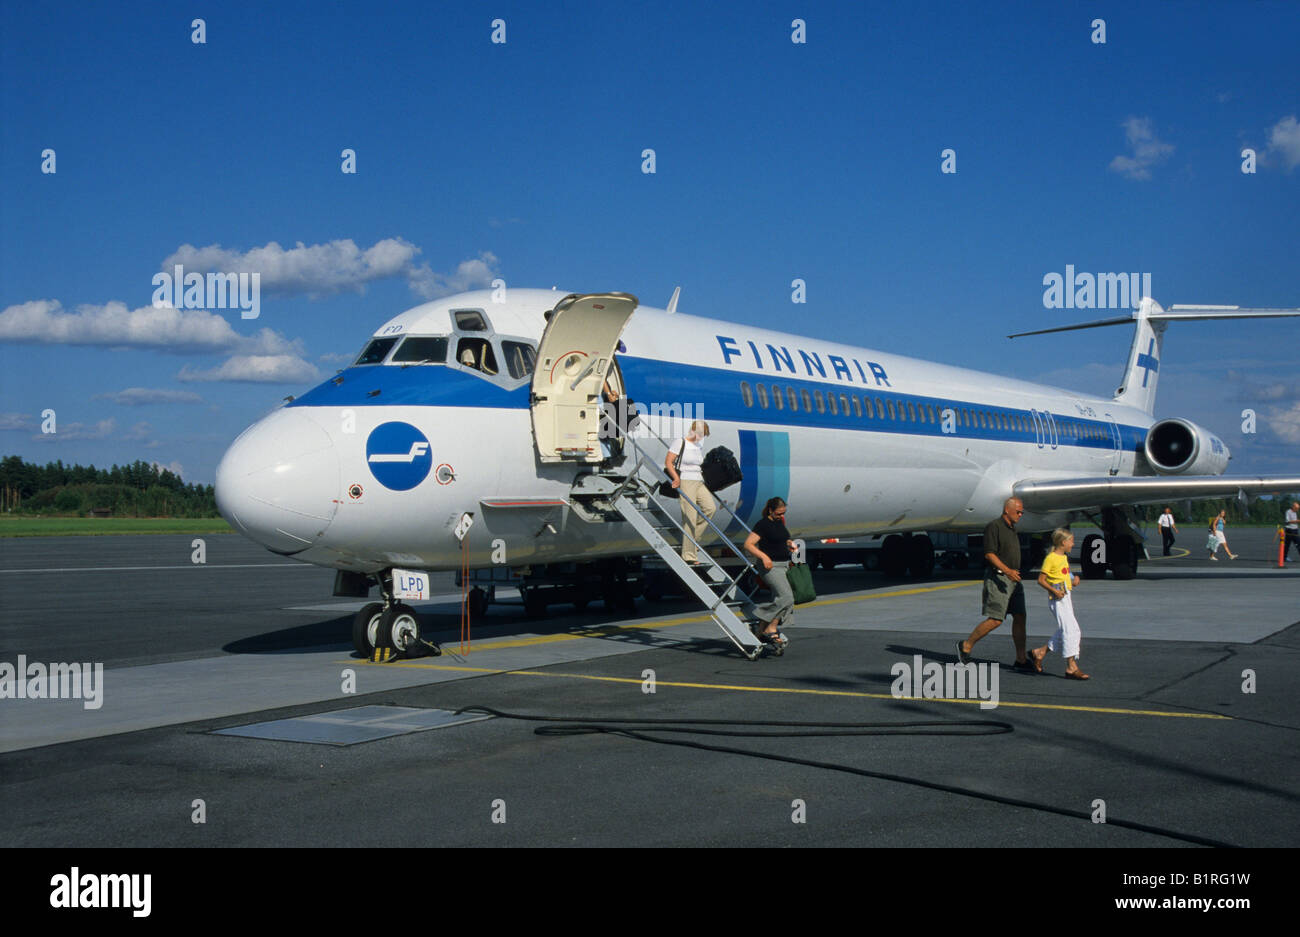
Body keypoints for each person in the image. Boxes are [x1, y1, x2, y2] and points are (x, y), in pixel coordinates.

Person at [958, 497, 1031, 670]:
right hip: (1000, 578)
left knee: (1020, 616)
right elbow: (990, 554)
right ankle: (965, 646)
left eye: (1022, 512)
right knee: (996, 619)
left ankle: (1021, 660)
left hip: (1014, 579)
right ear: (1007, 509)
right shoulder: (994, 526)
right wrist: (1008, 571)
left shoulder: (1012, 528)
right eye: (1018, 511)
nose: (1021, 515)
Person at [1028, 529, 1088, 680]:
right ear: (1063, 542)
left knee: (1066, 630)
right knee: (1072, 630)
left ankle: (1040, 652)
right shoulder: (1051, 558)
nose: (1073, 544)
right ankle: (1071, 667)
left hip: (1066, 596)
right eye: (1071, 541)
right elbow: (1041, 580)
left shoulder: (1063, 557)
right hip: (1057, 599)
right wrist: (1053, 592)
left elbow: (1063, 574)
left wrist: (1073, 580)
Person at [743, 497, 796, 645]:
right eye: (779, 513)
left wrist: (789, 543)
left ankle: (761, 629)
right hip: (770, 566)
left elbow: (779, 539)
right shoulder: (762, 524)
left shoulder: (779, 522)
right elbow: (748, 544)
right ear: (771, 510)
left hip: (784, 564)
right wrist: (764, 557)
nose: (782, 516)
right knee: (787, 597)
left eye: (784, 513)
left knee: (780, 599)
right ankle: (770, 626)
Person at [664, 421, 716, 564]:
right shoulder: (680, 442)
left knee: (710, 508)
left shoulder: (698, 445)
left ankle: (693, 541)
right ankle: (689, 555)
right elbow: (668, 462)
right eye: (700, 434)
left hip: (699, 481)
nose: (701, 437)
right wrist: (676, 478)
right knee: (690, 518)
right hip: (685, 481)